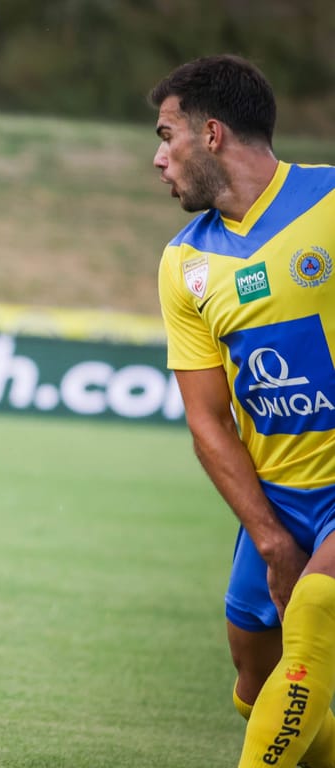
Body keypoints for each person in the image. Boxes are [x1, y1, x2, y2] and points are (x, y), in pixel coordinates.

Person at [151, 54, 335, 768]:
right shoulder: (182, 265)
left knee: (317, 609)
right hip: (278, 502)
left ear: (214, 133)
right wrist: (271, 538)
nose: (158, 157)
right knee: (257, 689)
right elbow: (207, 420)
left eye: (168, 135)